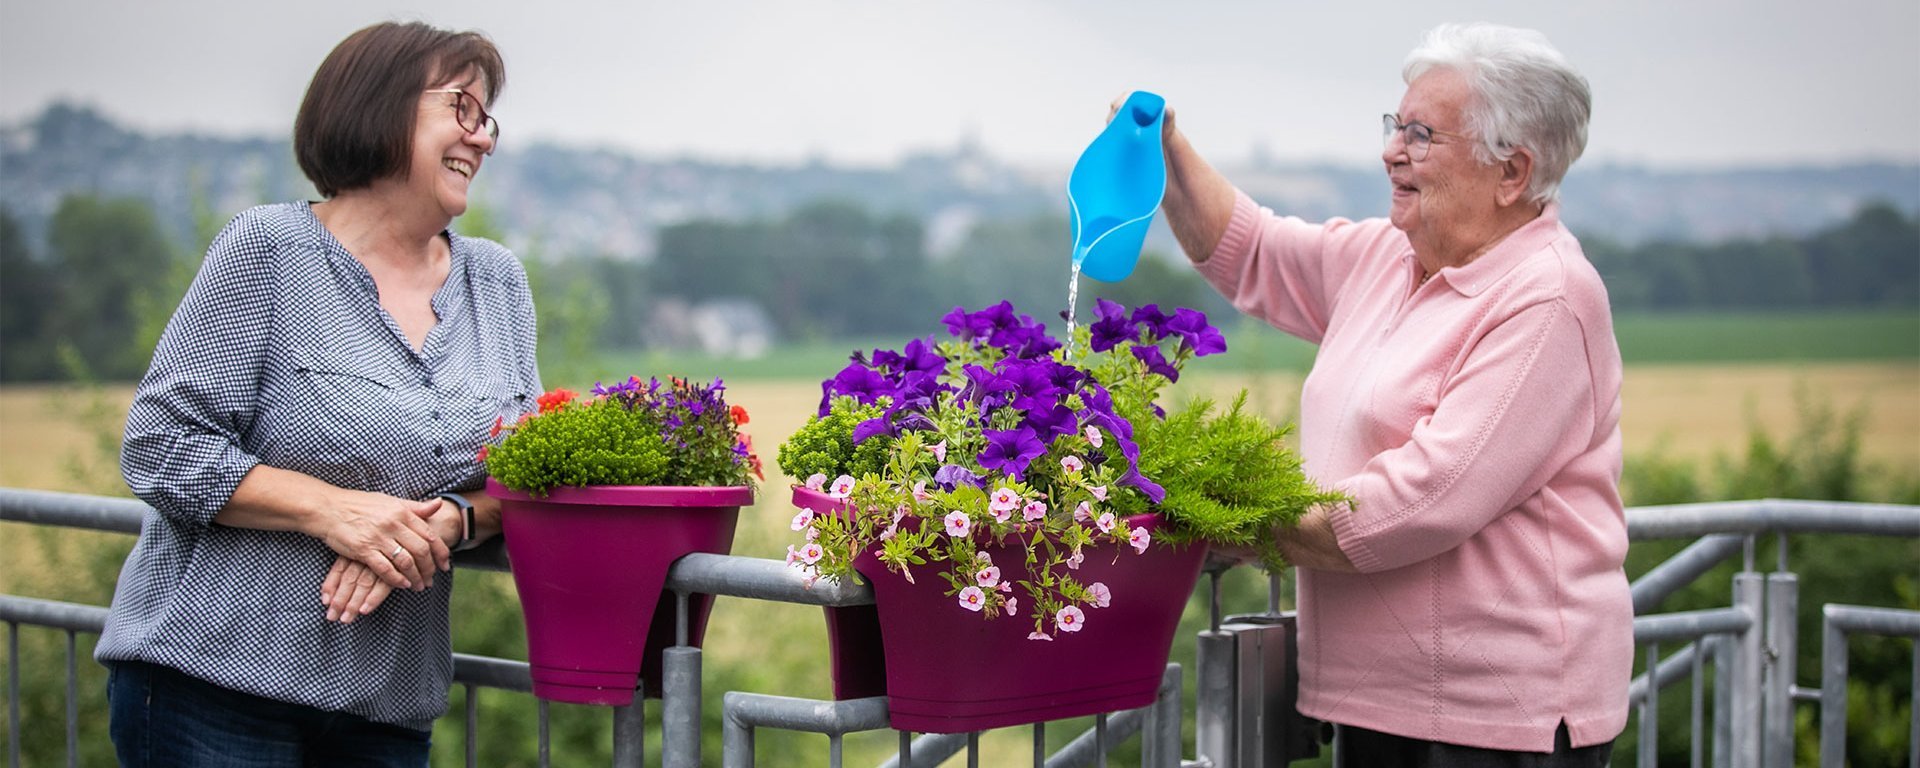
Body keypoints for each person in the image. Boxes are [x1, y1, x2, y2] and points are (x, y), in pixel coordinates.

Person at [1150, 23, 1628, 765]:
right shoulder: (1386, 255)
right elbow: (1249, 253)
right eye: (1394, 125)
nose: (1391, 150)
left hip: (1494, 723)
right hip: (1376, 703)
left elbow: (1418, 504)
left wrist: (1222, 520)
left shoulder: (1548, 300)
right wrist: (1166, 152)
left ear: (1513, 171)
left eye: (1421, 134)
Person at [97, 21, 538, 765]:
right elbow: (160, 447)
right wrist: (338, 512)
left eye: (486, 118)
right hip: (212, 693)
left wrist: (447, 524)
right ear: (381, 107)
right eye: (462, 108)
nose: (484, 138)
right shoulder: (268, 248)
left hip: (385, 709)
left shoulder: (497, 283)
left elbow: (525, 473)